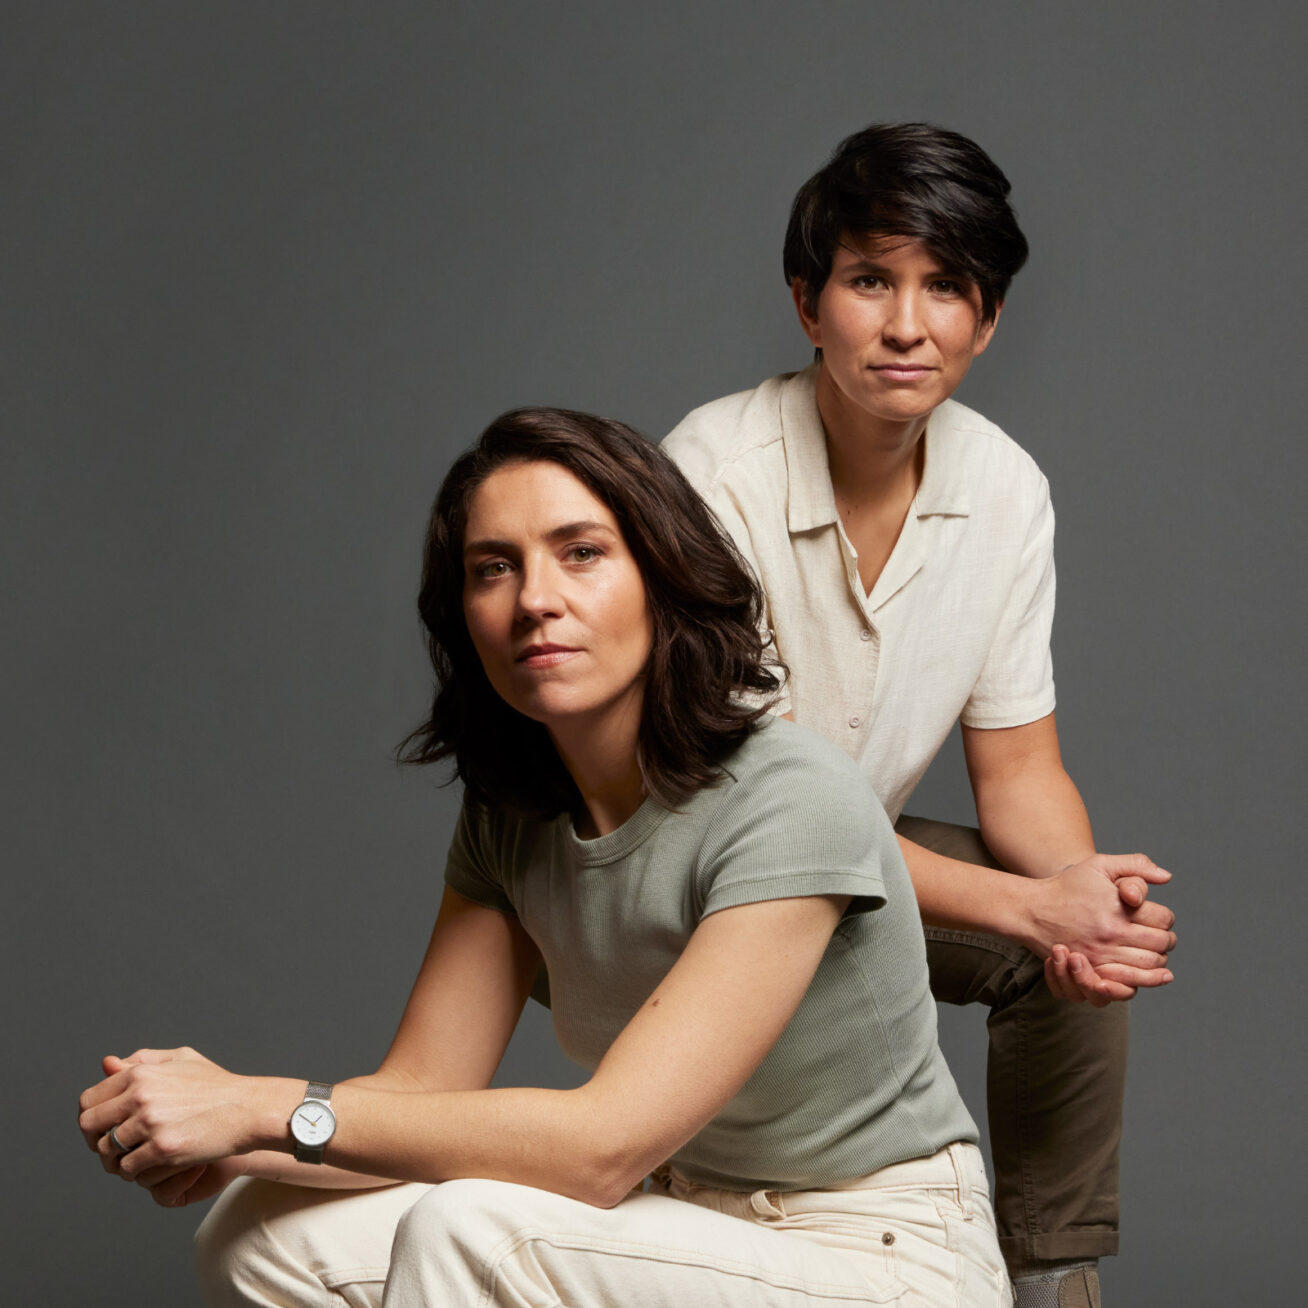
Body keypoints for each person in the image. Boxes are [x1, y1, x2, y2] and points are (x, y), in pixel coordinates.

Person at [78, 407, 1014, 1306]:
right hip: (684, 1224)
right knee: (263, 1235)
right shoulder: (511, 820)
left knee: (477, 1229)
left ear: (661, 574)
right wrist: (212, 1134)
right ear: (466, 615)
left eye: (581, 554)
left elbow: (602, 1146)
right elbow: (417, 1093)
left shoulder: (791, 793)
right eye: (494, 568)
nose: (535, 600)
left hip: (882, 1256)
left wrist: (260, 1107)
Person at [662, 123, 1178, 1308]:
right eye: (869, 281)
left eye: (945, 287)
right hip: (691, 873)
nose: (908, 324)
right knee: (1028, 919)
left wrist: (1077, 904)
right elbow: (767, 817)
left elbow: (1023, 774)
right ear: (808, 303)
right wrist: (1026, 903)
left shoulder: (1003, 487)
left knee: (1074, 949)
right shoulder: (713, 475)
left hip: (850, 868)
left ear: (987, 319)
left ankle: (1056, 1284)